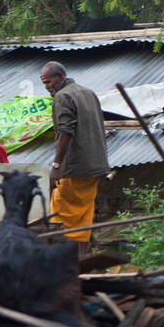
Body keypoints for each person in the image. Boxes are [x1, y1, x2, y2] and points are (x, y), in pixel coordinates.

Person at [39, 61, 110, 243]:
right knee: (84, 214)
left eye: (48, 82)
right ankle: (81, 259)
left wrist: (56, 165)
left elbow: (65, 131)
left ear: (61, 77)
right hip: (94, 166)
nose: (47, 87)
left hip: (73, 167)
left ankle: (63, 259)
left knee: (60, 215)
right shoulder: (89, 93)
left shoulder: (62, 97)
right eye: (44, 83)